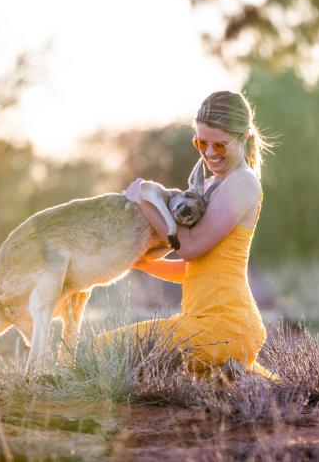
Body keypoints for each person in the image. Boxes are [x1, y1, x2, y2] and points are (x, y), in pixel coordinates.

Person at [96, 90, 277, 380]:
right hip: (202, 322)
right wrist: (139, 262)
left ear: (243, 138)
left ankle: (230, 373)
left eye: (220, 145)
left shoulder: (243, 182)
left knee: (100, 353)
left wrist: (145, 198)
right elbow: (191, 269)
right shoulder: (214, 183)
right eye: (201, 143)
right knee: (101, 351)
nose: (209, 153)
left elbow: (189, 247)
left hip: (225, 325)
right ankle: (230, 376)